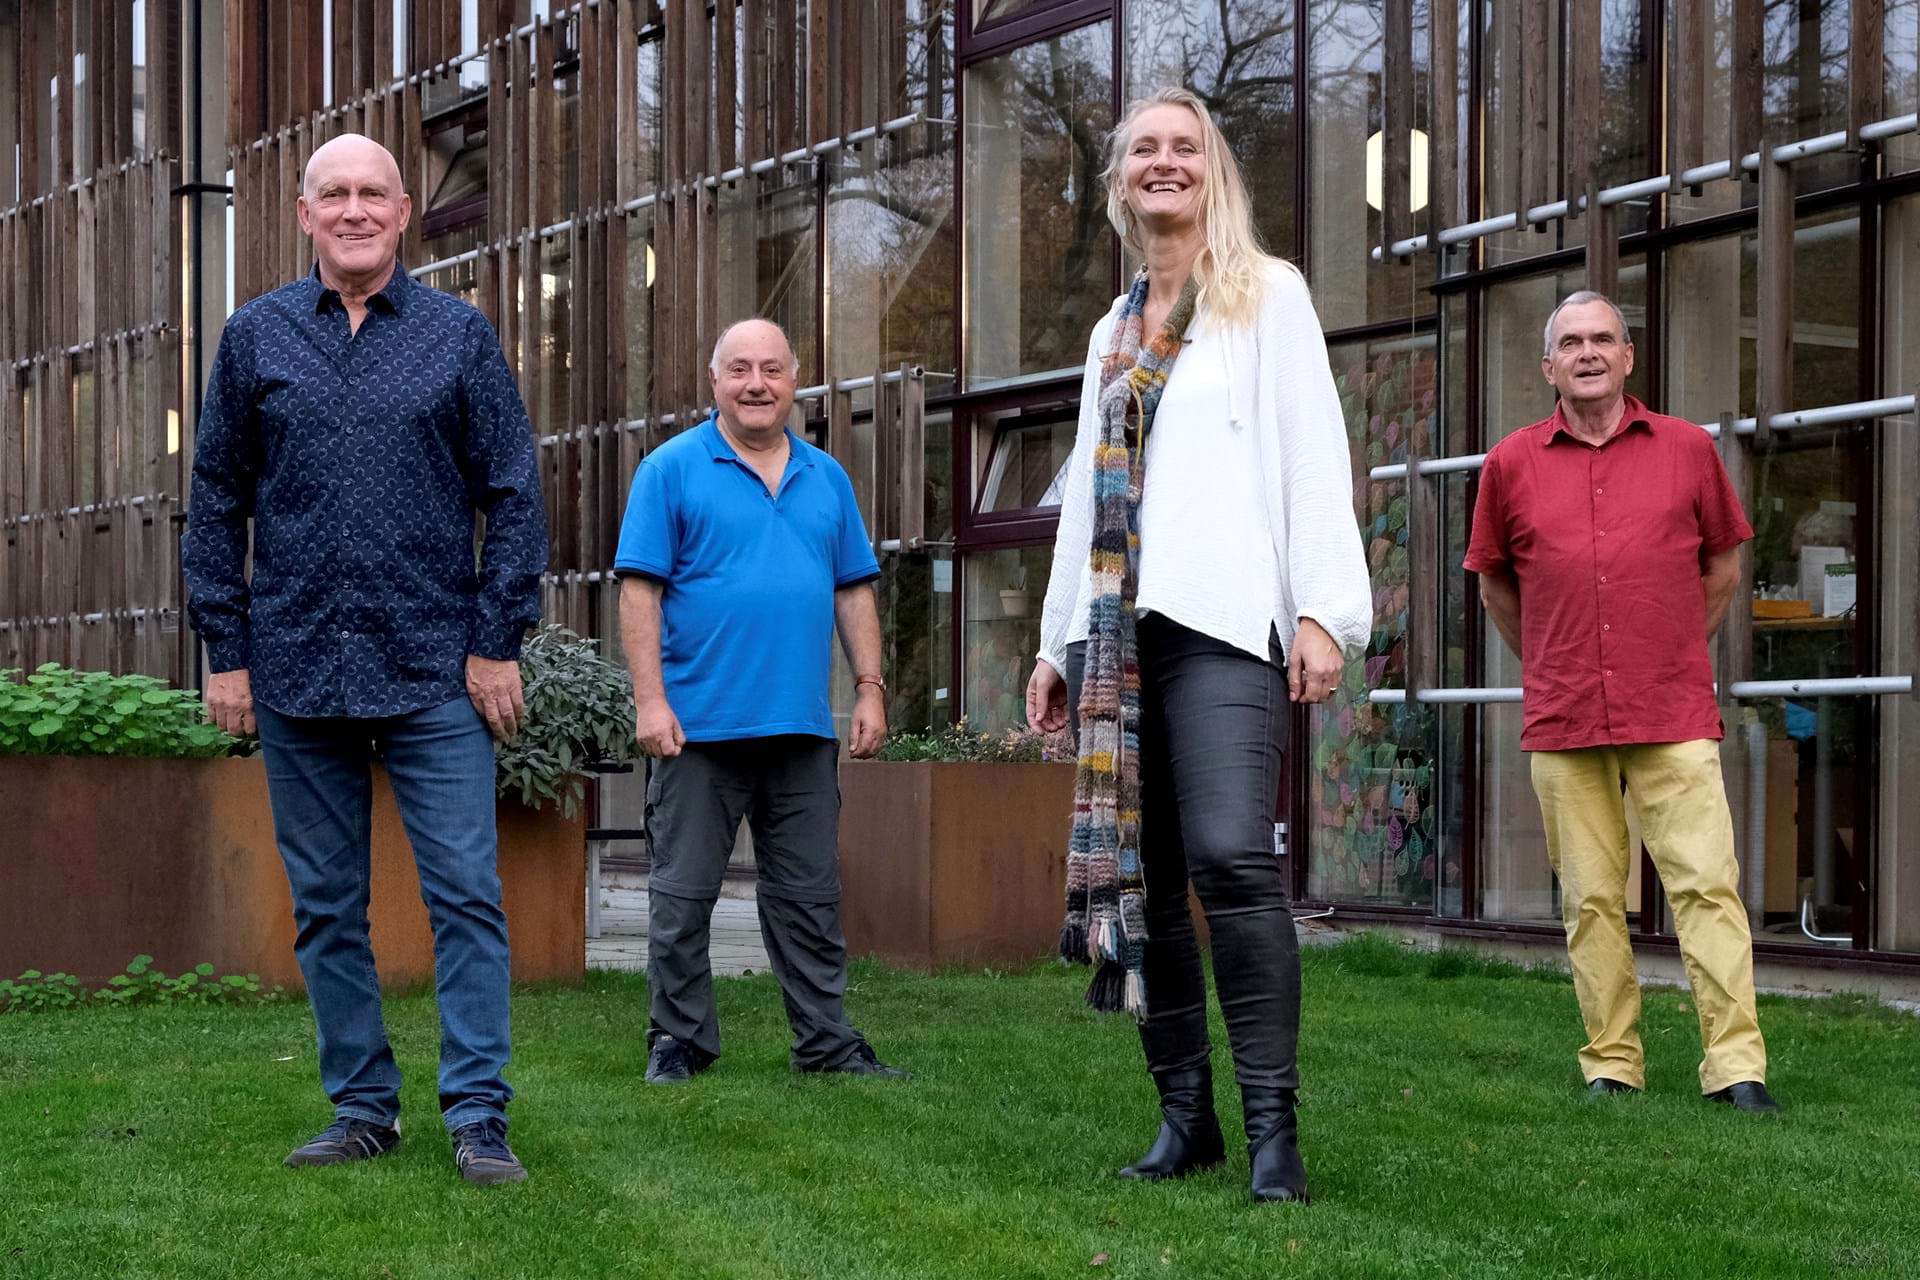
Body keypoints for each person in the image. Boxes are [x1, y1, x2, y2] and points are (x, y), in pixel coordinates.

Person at [1026, 88, 1372, 1204]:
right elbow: (1083, 506)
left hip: (1224, 621)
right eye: (1145, 150)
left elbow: (1313, 452)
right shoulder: (1109, 332)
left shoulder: (1266, 295)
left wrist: (1324, 608)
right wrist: (1057, 644)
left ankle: (1275, 1131)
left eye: (1185, 147)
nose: (1164, 162)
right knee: (1151, 875)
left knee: (1230, 857)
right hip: (1120, 638)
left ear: (1213, 171)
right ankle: (1188, 1120)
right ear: (1122, 181)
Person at [182, 133, 548, 1185]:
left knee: (467, 895)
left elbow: (515, 495)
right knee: (328, 908)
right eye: (334, 193)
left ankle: (478, 1114)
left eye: (373, 193)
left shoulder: (458, 336)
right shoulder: (254, 338)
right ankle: (362, 1109)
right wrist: (226, 652)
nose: (354, 210)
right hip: (297, 664)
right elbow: (216, 500)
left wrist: (495, 643)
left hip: (434, 666)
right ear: (305, 214)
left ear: (402, 213)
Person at [1464, 290, 1778, 1114]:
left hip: (1672, 710)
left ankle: (1736, 1068)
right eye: (1571, 342)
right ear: (1548, 367)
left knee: (1706, 887)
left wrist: (1668, 649)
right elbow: (1495, 586)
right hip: (1565, 714)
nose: (1589, 353)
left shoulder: (1686, 450)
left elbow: (1723, 570)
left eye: (1603, 339)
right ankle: (1612, 1063)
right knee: (1592, 900)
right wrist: (1552, 660)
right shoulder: (1510, 464)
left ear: (1628, 356)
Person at [614, 318, 907, 1085]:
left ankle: (827, 1044)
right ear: (715, 381)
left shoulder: (826, 477)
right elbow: (639, 592)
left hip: (801, 726)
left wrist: (870, 689)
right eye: (740, 369)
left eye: (771, 369)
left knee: (809, 899)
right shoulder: (670, 470)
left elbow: (853, 590)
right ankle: (678, 1040)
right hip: (697, 728)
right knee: (682, 897)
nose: (756, 384)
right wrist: (649, 700)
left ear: (793, 380)